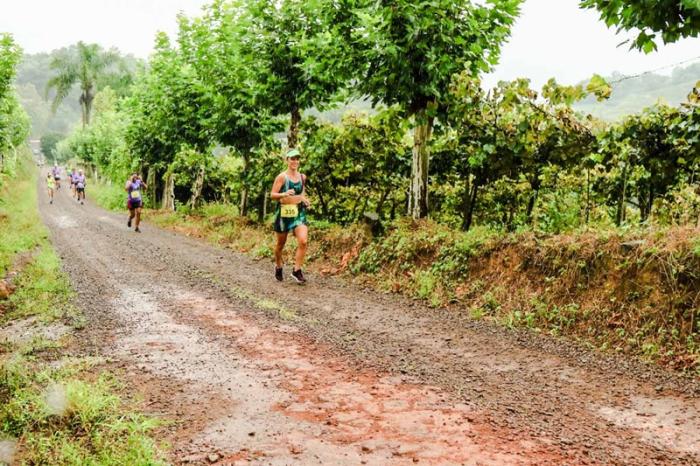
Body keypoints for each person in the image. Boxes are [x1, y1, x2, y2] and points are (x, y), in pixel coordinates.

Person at [270, 148, 310, 284]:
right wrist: (284, 194)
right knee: (281, 244)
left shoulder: (302, 177)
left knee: (303, 241)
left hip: (298, 213)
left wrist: (305, 200)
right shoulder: (282, 177)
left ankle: (296, 270)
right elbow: (272, 195)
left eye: (297, 158)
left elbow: (302, 193)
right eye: (292, 158)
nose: (295, 161)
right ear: (287, 160)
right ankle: (278, 265)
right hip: (283, 214)